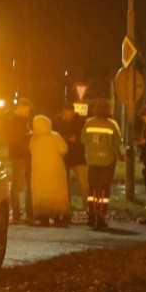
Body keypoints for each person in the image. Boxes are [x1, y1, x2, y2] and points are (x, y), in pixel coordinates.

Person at [82, 99, 122, 231]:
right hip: (107, 162)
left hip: (92, 161)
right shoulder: (112, 124)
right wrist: (119, 155)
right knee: (104, 191)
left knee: (92, 190)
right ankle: (100, 218)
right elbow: (118, 142)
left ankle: (90, 217)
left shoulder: (88, 123)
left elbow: (83, 139)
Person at [28, 113, 71, 226]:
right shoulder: (55, 136)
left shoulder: (34, 139)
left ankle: (43, 217)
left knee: (41, 191)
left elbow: (31, 151)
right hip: (55, 169)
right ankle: (57, 216)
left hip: (39, 170)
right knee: (56, 190)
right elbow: (63, 150)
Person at [57, 102, 89, 217]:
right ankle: (66, 209)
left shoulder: (81, 121)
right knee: (65, 186)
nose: (65, 115)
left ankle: (88, 208)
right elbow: (57, 135)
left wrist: (75, 139)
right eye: (64, 113)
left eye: (67, 113)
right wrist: (66, 139)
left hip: (78, 157)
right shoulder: (59, 120)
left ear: (72, 111)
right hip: (65, 157)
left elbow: (83, 137)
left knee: (84, 185)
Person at [5, 98, 34, 222]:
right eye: (26, 110)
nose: (28, 113)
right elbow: (16, 139)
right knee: (17, 185)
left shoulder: (20, 121)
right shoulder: (13, 121)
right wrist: (30, 135)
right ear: (21, 107)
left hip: (22, 155)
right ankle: (17, 214)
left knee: (24, 184)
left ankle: (25, 213)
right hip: (18, 156)